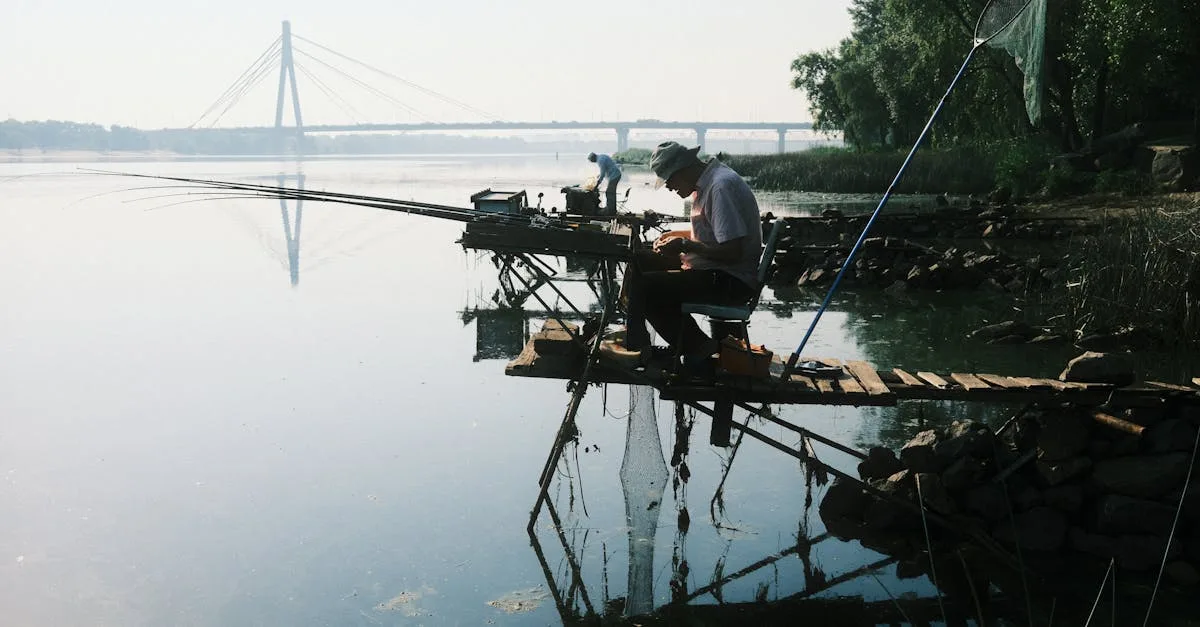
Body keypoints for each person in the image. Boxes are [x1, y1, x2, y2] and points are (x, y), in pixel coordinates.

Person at [620, 141, 763, 365]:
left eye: (669, 180)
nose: (668, 186)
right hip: (715, 270)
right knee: (639, 260)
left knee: (647, 288)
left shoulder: (720, 187)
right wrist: (674, 235)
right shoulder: (707, 184)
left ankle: (650, 347)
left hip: (731, 280)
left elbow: (733, 252)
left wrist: (686, 245)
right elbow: (714, 233)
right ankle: (651, 338)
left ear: (683, 169)